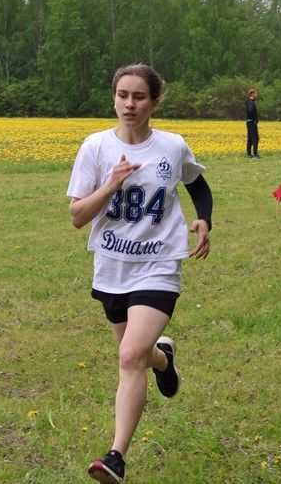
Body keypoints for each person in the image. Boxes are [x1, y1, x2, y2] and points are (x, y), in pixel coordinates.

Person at [68, 64, 212, 484]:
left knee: (130, 356)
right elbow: (77, 216)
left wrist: (204, 219)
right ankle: (163, 360)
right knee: (139, 353)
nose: (129, 104)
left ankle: (115, 457)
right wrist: (110, 184)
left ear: (154, 102)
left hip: (160, 263)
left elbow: (197, 184)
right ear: (114, 98)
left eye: (139, 97)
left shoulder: (172, 146)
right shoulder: (95, 147)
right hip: (112, 267)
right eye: (123, 95)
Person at [245, 88, 259, 158]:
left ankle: (248, 154)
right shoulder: (251, 102)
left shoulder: (249, 101)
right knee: (255, 138)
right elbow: (251, 110)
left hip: (248, 122)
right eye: (256, 93)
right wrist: (254, 119)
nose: (257, 95)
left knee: (250, 138)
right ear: (252, 94)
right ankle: (255, 154)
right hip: (252, 122)